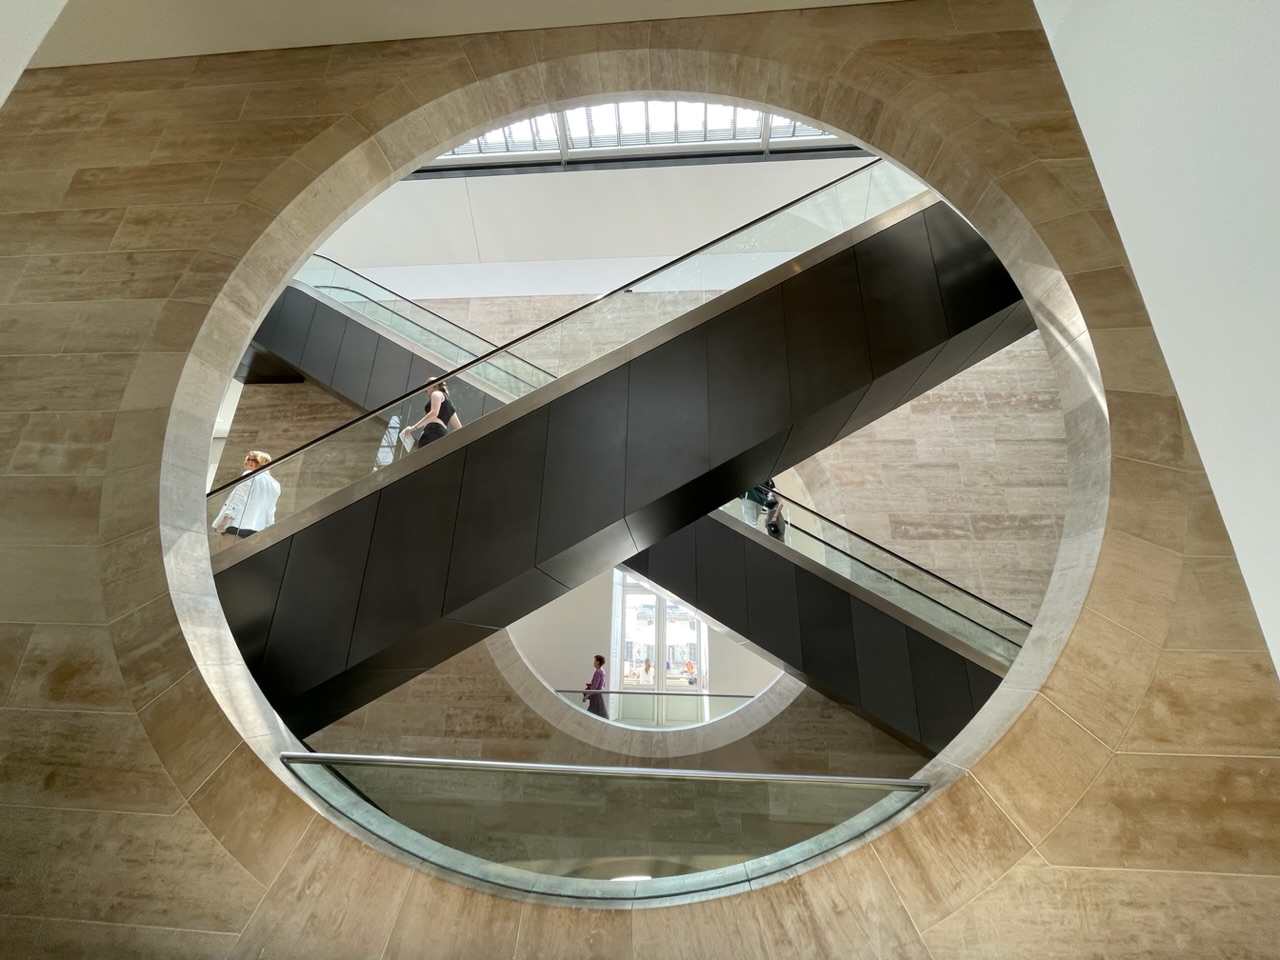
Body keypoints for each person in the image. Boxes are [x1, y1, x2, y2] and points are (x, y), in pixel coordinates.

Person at [212, 451, 281, 545]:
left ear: (252, 462)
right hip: (257, 529)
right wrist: (269, 529)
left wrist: (225, 520)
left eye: (249, 460)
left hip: (237, 524)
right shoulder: (275, 485)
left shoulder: (250, 474)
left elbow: (239, 498)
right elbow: (270, 510)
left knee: (227, 552)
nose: (247, 463)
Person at [404, 379, 462, 449]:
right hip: (442, 433)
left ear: (433, 385)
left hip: (432, 430)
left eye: (427, 387)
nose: (426, 391)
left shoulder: (436, 393)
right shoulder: (449, 404)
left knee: (424, 452)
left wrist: (414, 428)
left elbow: (434, 413)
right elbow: (459, 428)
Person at [582, 654, 608, 719]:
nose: (593, 663)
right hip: (599, 694)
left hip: (595, 695)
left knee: (595, 712)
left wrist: (586, 696)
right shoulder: (602, 671)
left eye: (594, 661)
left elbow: (594, 687)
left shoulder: (598, 673)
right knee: (599, 711)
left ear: (598, 662)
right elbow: (603, 684)